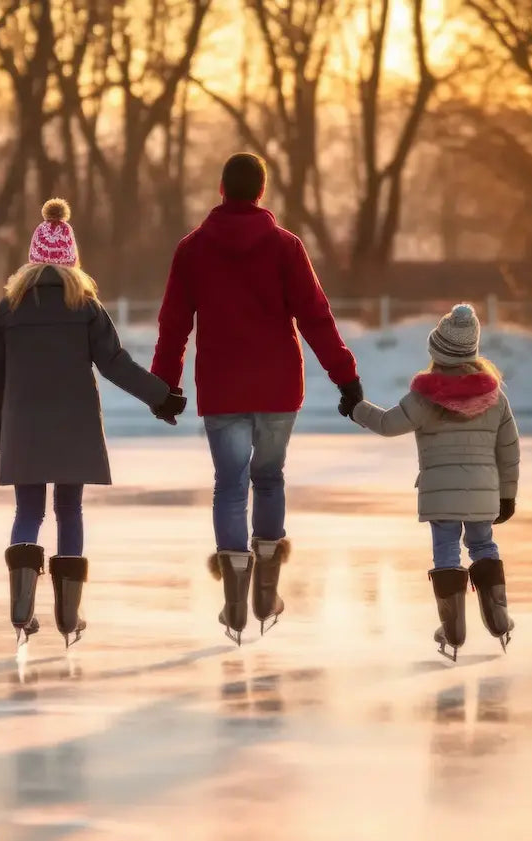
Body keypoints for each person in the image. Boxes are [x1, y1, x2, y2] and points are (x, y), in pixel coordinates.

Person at [151, 153, 362, 643]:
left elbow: (174, 325)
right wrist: (346, 378)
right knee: (268, 478)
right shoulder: (286, 247)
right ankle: (265, 591)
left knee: (230, 484)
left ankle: (235, 605)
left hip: (223, 387)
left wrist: (165, 385)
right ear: (261, 192)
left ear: (223, 189)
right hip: (277, 387)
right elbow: (316, 317)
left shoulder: (193, 250)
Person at [0, 198, 187, 647]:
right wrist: (161, 397)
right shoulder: (86, 307)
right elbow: (115, 363)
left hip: (24, 424)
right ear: (73, 259)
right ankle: (69, 617)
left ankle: (21, 610)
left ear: (32, 259)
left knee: (28, 511)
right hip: (74, 425)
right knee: (68, 509)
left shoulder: (9, 309)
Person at [344, 303, 520, 660]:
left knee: (446, 550)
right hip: (483, 495)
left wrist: (356, 408)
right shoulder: (494, 396)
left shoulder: (426, 396)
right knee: (483, 545)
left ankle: (453, 629)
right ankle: (498, 616)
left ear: (437, 351)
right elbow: (509, 449)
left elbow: (388, 424)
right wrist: (507, 495)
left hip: (441, 495)